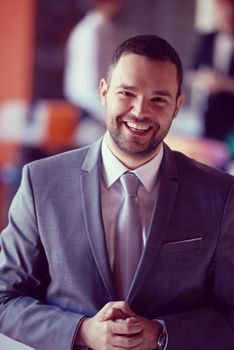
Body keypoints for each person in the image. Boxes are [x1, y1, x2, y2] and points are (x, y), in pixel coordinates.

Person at [0, 34, 234, 350]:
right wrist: (81, 332)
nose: (140, 111)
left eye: (158, 99)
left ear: (178, 106)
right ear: (104, 92)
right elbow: (5, 296)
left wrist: (162, 335)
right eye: (127, 93)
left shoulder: (219, 194)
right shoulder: (41, 182)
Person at [64, 0, 125, 124]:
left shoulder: (106, 29)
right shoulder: (90, 33)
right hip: (89, 111)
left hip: (101, 107)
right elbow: (89, 86)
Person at [188, 0, 234, 141]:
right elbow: (191, 73)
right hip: (209, 114)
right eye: (220, 9)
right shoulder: (207, 38)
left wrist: (222, 83)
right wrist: (204, 79)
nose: (225, 14)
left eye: (228, 9)